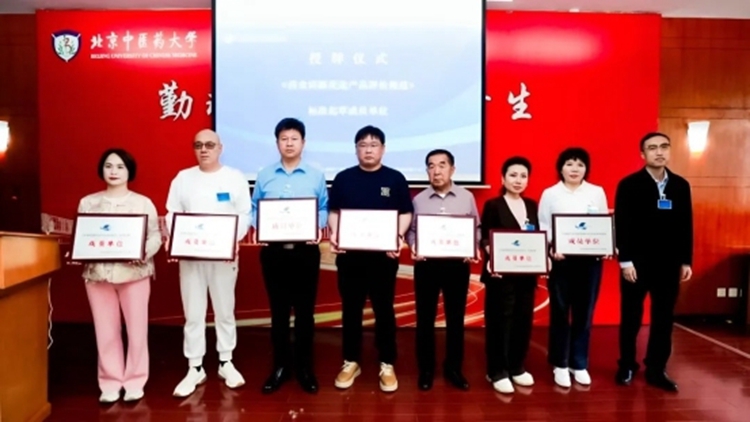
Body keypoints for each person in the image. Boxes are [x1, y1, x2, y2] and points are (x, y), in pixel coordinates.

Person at [327, 125, 413, 393]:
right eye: (362, 145)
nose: (368, 150)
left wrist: (397, 236)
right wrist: (336, 234)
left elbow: (405, 213)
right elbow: (334, 212)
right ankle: (351, 360)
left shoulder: (395, 179)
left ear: (383, 149)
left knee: (384, 309)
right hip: (350, 257)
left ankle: (387, 362)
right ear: (356, 149)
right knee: (351, 309)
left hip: (383, 258)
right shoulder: (343, 178)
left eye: (374, 145)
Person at [166, 129, 251, 397]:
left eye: (210, 145)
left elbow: (244, 214)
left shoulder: (234, 178)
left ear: (220, 148)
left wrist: (231, 240)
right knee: (193, 313)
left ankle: (226, 361)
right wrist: (179, 239)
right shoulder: (183, 178)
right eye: (198, 145)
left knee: (225, 310)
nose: (204, 150)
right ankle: (195, 366)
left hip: (223, 256)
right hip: (191, 256)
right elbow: (172, 213)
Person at [75, 148, 162, 403]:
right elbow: (83, 235)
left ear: (129, 171)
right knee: (105, 331)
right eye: (109, 166)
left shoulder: (143, 203)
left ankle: (135, 380)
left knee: (137, 330)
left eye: (120, 167)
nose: (114, 171)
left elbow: (155, 236)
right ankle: (110, 383)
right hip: (98, 276)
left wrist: (142, 252)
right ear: (101, 170)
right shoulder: (88, 203)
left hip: (134, 275)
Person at [250, 118, 328, 394]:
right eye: (284, 139)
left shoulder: (316, 175)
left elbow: (323, 208)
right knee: (279, 313)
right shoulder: (264, 175)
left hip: (305, 253)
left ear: (303, 143)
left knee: (305, 313)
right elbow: (254, 208)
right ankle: (280, 367)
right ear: (277, 143)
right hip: (274, 253)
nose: (289, 143)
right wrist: (260, 226)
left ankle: (305, 368)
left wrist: (316, 225)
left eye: (294, 138)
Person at [614, 132, 692, 392]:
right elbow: (622, 225)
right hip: (636, 265)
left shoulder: (680, 186)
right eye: (652, 148)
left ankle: (657, 369)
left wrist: (686, 261)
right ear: (642, 154)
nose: (659, 152)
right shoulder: (629, 185)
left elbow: (686, 226)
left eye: (664, 147)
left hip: (669, 265)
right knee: (631, 318)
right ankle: (627, 365)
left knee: (664, 319)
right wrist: (625, 261)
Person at [406, 149, 480, 391]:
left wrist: (472, 247)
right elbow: (411, 232)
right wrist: (414, 246)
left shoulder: (466, 197)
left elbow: (476, 229)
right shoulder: (419, 199)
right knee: (425, 318)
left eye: (441, 165)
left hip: (457, 266)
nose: (436, 171)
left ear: (452, 169)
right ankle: (426, 369)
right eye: (431, 166)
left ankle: (454, 368)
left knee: (455, 318)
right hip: (427, 265)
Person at [538, 147, 609, 388]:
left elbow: (601, 225)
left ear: (586, 168)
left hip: (590, 262)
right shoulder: (550, 193)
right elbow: (544, 225)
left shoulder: (596, 192)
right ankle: (559, 363)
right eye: (569, 164)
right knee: (560, 313)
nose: (574, 169)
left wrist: (604, 245)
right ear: (561, 168)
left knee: (584, 313)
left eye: (580, 164)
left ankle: (578, 363)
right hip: (562, 261)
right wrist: (553, 247)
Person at [480, 156, 539, 394]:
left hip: (526, 274)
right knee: (499, 322)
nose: (518, 180)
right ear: (503, 179)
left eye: (523, 176)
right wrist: (494, 257)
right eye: (513, 175)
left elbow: (536, 238)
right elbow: (485, 238)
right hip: (500, 275)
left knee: (523, 320)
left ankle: (517, 367)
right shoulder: (493, 205)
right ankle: (497, 371)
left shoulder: (532, 205)